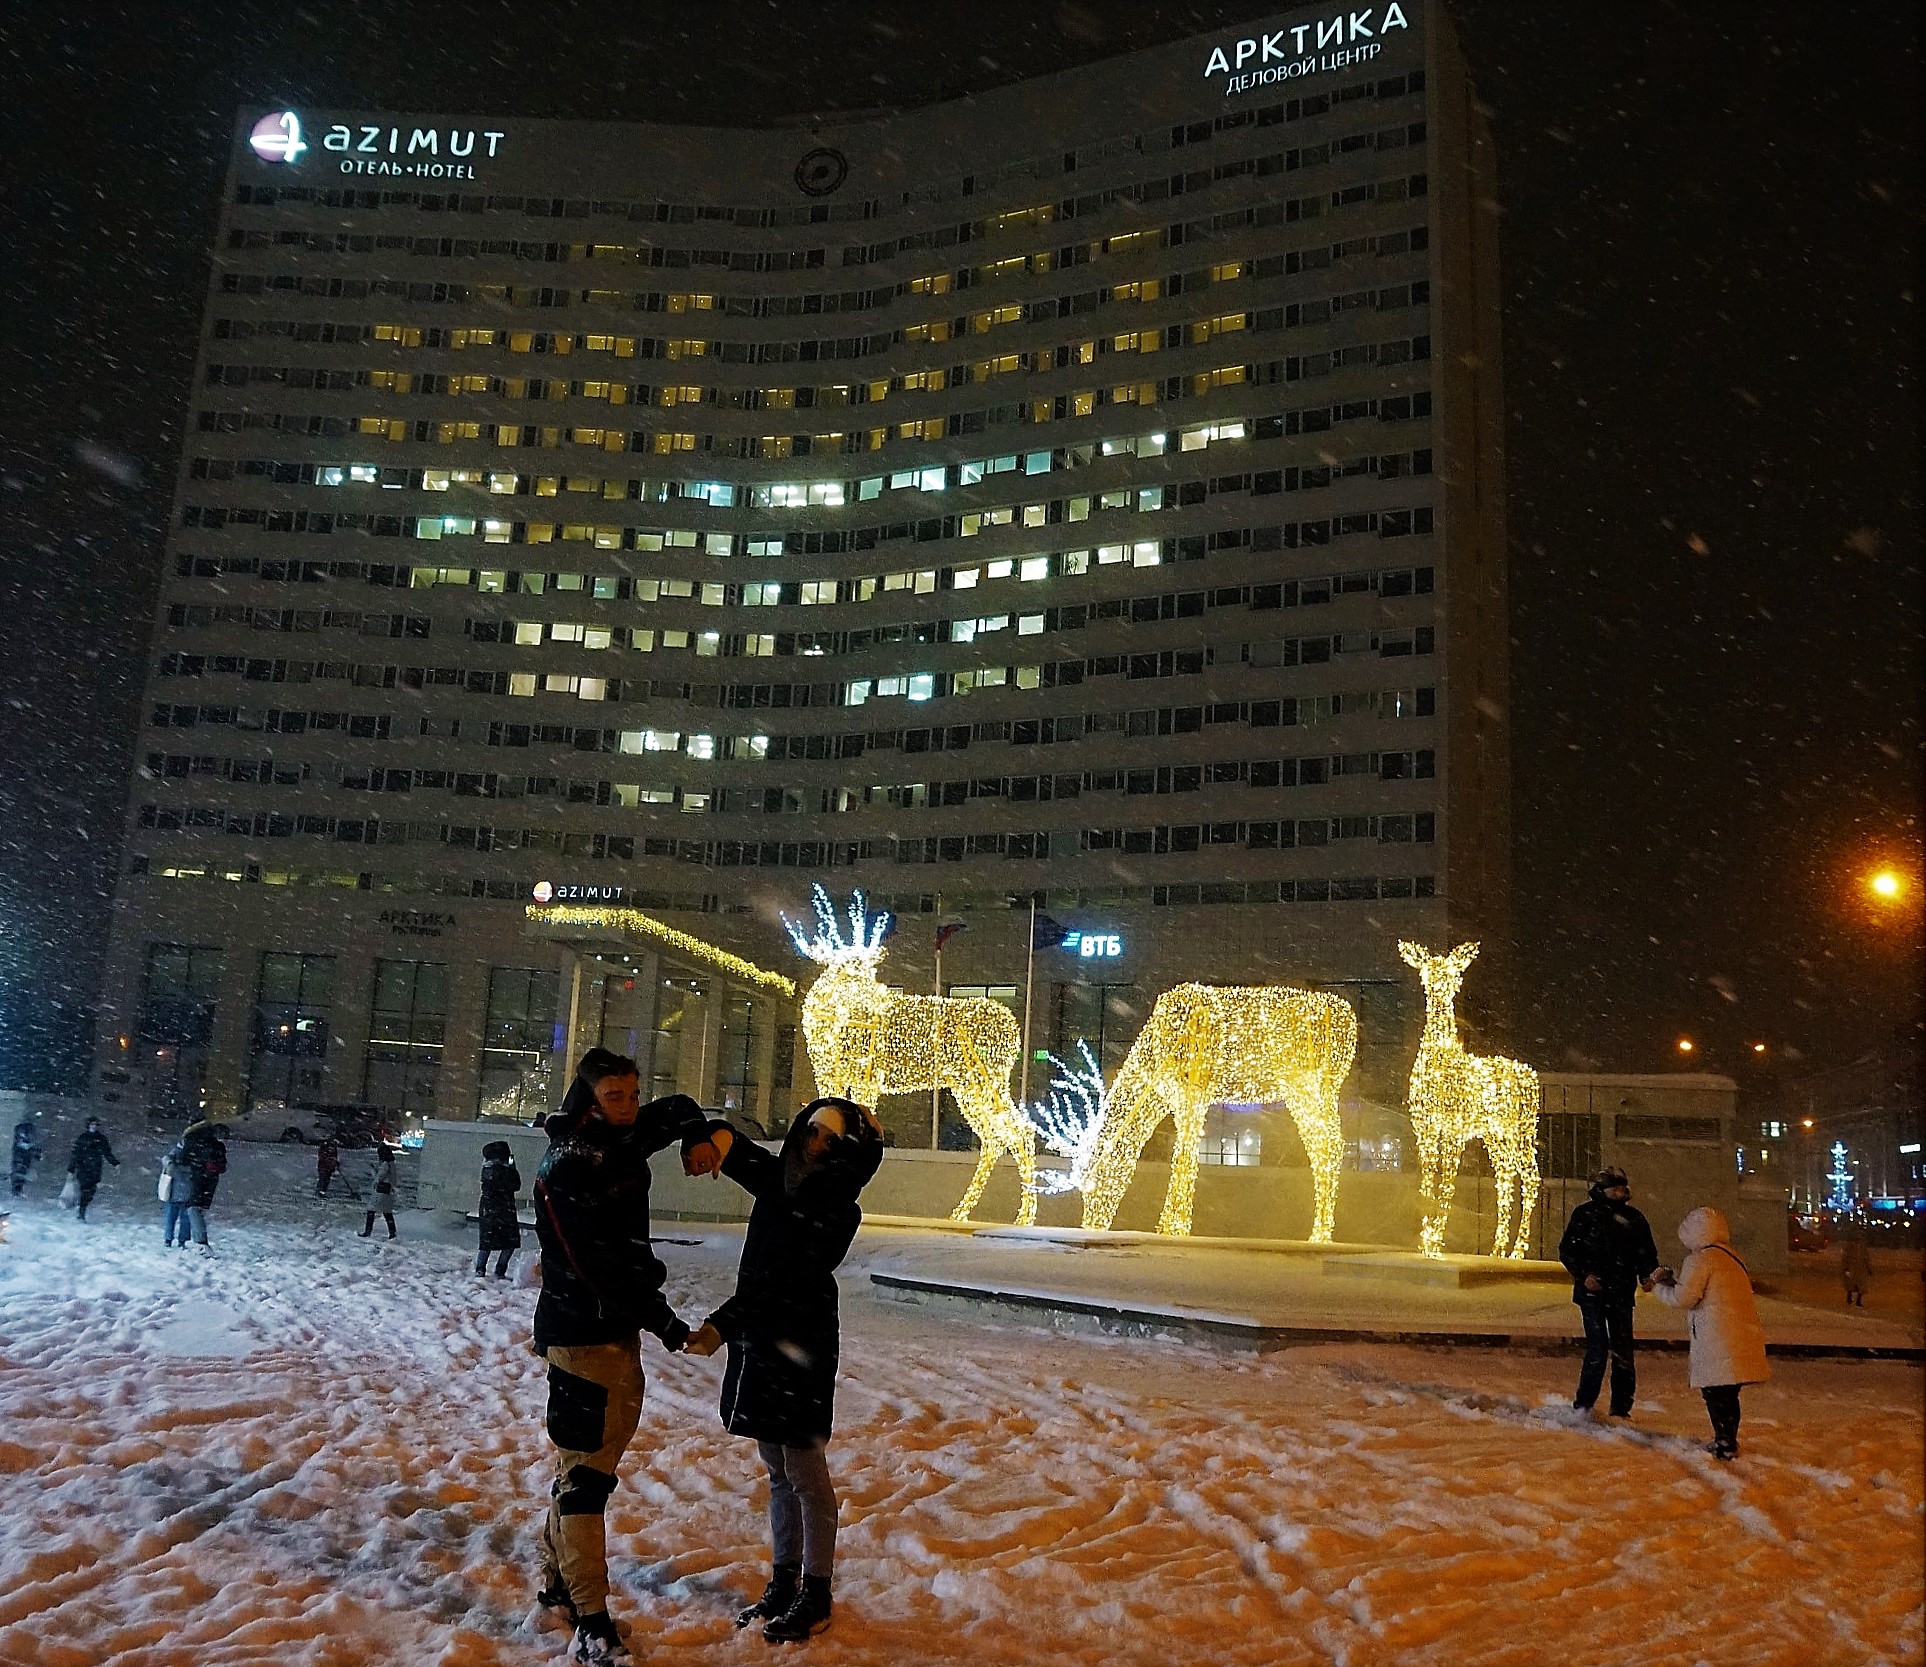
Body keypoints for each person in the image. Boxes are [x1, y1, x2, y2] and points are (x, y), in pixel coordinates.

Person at [529, 1047, 717, 1667]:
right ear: (588, 1097)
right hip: (585, 1335)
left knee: (578, 1464)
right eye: (615, 1096)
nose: (630, 1107)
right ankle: (591, 1621)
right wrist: (666, 1323)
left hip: (603, 1333)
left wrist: (695, 1137)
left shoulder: (623, 1136)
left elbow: (682, 1108)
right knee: (586, 1479)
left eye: (634, 1094)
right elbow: (598, 1269)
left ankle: (556, 1588)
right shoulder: (570, 1166)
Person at [681, 1097, 884, 1643]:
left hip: (802, 1346)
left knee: (806, 1474)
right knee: (776, 1468)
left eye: (832, 1140)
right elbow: (732, 1145)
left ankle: (816, 1592)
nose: (817, 1143)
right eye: (814, 1131)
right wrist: (709, 1139)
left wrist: (722, 1325)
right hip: (763, 1343)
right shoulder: (779, 1178)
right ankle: (784, 1580)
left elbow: (782, 1280)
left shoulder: (838, 1208)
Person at [1652, 1205, 1770, 1459]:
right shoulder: (1732, 1256)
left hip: (1716, 1336)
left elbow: (1685, 1298)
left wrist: (1660, 1287)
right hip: (1737, 1333)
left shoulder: (1700, 1259)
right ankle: (1728, 1438)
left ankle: (1724, 1441)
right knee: (1727, 1393)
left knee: (1715, 1392)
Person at [1557, 1164, 1660, 1418]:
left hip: (1621, 1292)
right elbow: (1568, 1250)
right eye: (1615, 1188)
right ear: (1601, 1190)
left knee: (1623, 1349)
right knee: (1598, 1348)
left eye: (1622, 1188)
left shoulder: (1634, 1219)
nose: (1621, 1192)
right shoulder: (1585, 1215)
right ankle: (1584, 1404)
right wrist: (1584, 1275)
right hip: (1593, 1292)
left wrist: (1646, 1274)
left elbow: (1645, 1251)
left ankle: (1621, 1408)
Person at [176, 1117, 229, 1249]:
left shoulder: (192, 1139)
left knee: (193, 1207)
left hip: (198, 1176)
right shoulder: (215, 1142)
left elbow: (182, 1159)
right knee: (199, 1207)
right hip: (212, 1178)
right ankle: (199, 1239)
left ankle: (201, 1242)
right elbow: (223, 1164)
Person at [474, 1139, 522, 1278]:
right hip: (498, 1209)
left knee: (490, 1242)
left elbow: (515, 1185)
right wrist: (511, 1168)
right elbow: (513, 1185)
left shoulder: (490, 1169)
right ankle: (486, 1269)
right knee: (495, 1242)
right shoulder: (494, 1170)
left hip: (495, 1209)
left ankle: (483, 1269)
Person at [66, 1118, 121, 1221]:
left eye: (95, 1125)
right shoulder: (82, 1138)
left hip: (95, 1169)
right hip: (83, 1168)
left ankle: (82, 1207)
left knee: (91, 1191)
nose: (93, 1127)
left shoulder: (100, 1139)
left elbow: (107, 1153)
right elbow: (75, 1155)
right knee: (85, 1190)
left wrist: (115, 1163)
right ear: (88, 1126)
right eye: (91, 1125)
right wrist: (71, 1170)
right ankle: (81, 1212)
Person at [160, 1140, 197, 1248]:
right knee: (185, 1219)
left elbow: (166, 1159)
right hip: (187, 1194)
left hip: (173, 1194)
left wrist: (170, 1166)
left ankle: (168, 1239)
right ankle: (182, 1240)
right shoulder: (195, 1157)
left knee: (170, 1218)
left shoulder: (175, 1154)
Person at [360, 1144, 398, 1239]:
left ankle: (367, 1231)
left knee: (371, 1210)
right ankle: (392, 1232)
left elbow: (379, 1177)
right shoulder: (392, 1164)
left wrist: (373, 1170)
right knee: (387, 1212)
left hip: (381, 1189)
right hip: (388, 1190)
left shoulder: (385, 1164)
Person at [1840, 1222, 1873, 1307]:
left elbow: (1866, 1258)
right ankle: (1851, 1298)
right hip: (1855, 1268)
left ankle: (1856, 1300)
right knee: (1853, 1285)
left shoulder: (1860, 1248)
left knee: (1859, 1286)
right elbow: (1846, 1258)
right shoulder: (1852, 1247)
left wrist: (1869, 1269)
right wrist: (1846, 1268)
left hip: (1859, 1268)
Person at [10, 1113, 41, 1196]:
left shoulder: (20, 1129)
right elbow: (34, 1142)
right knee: (21, 1170)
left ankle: (17, 1189)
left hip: (21, 1153)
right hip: (24, 1154)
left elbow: (32, 1141)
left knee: (20, 1170)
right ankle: (18, 1189)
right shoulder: (30, 1129)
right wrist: (36, 1152)